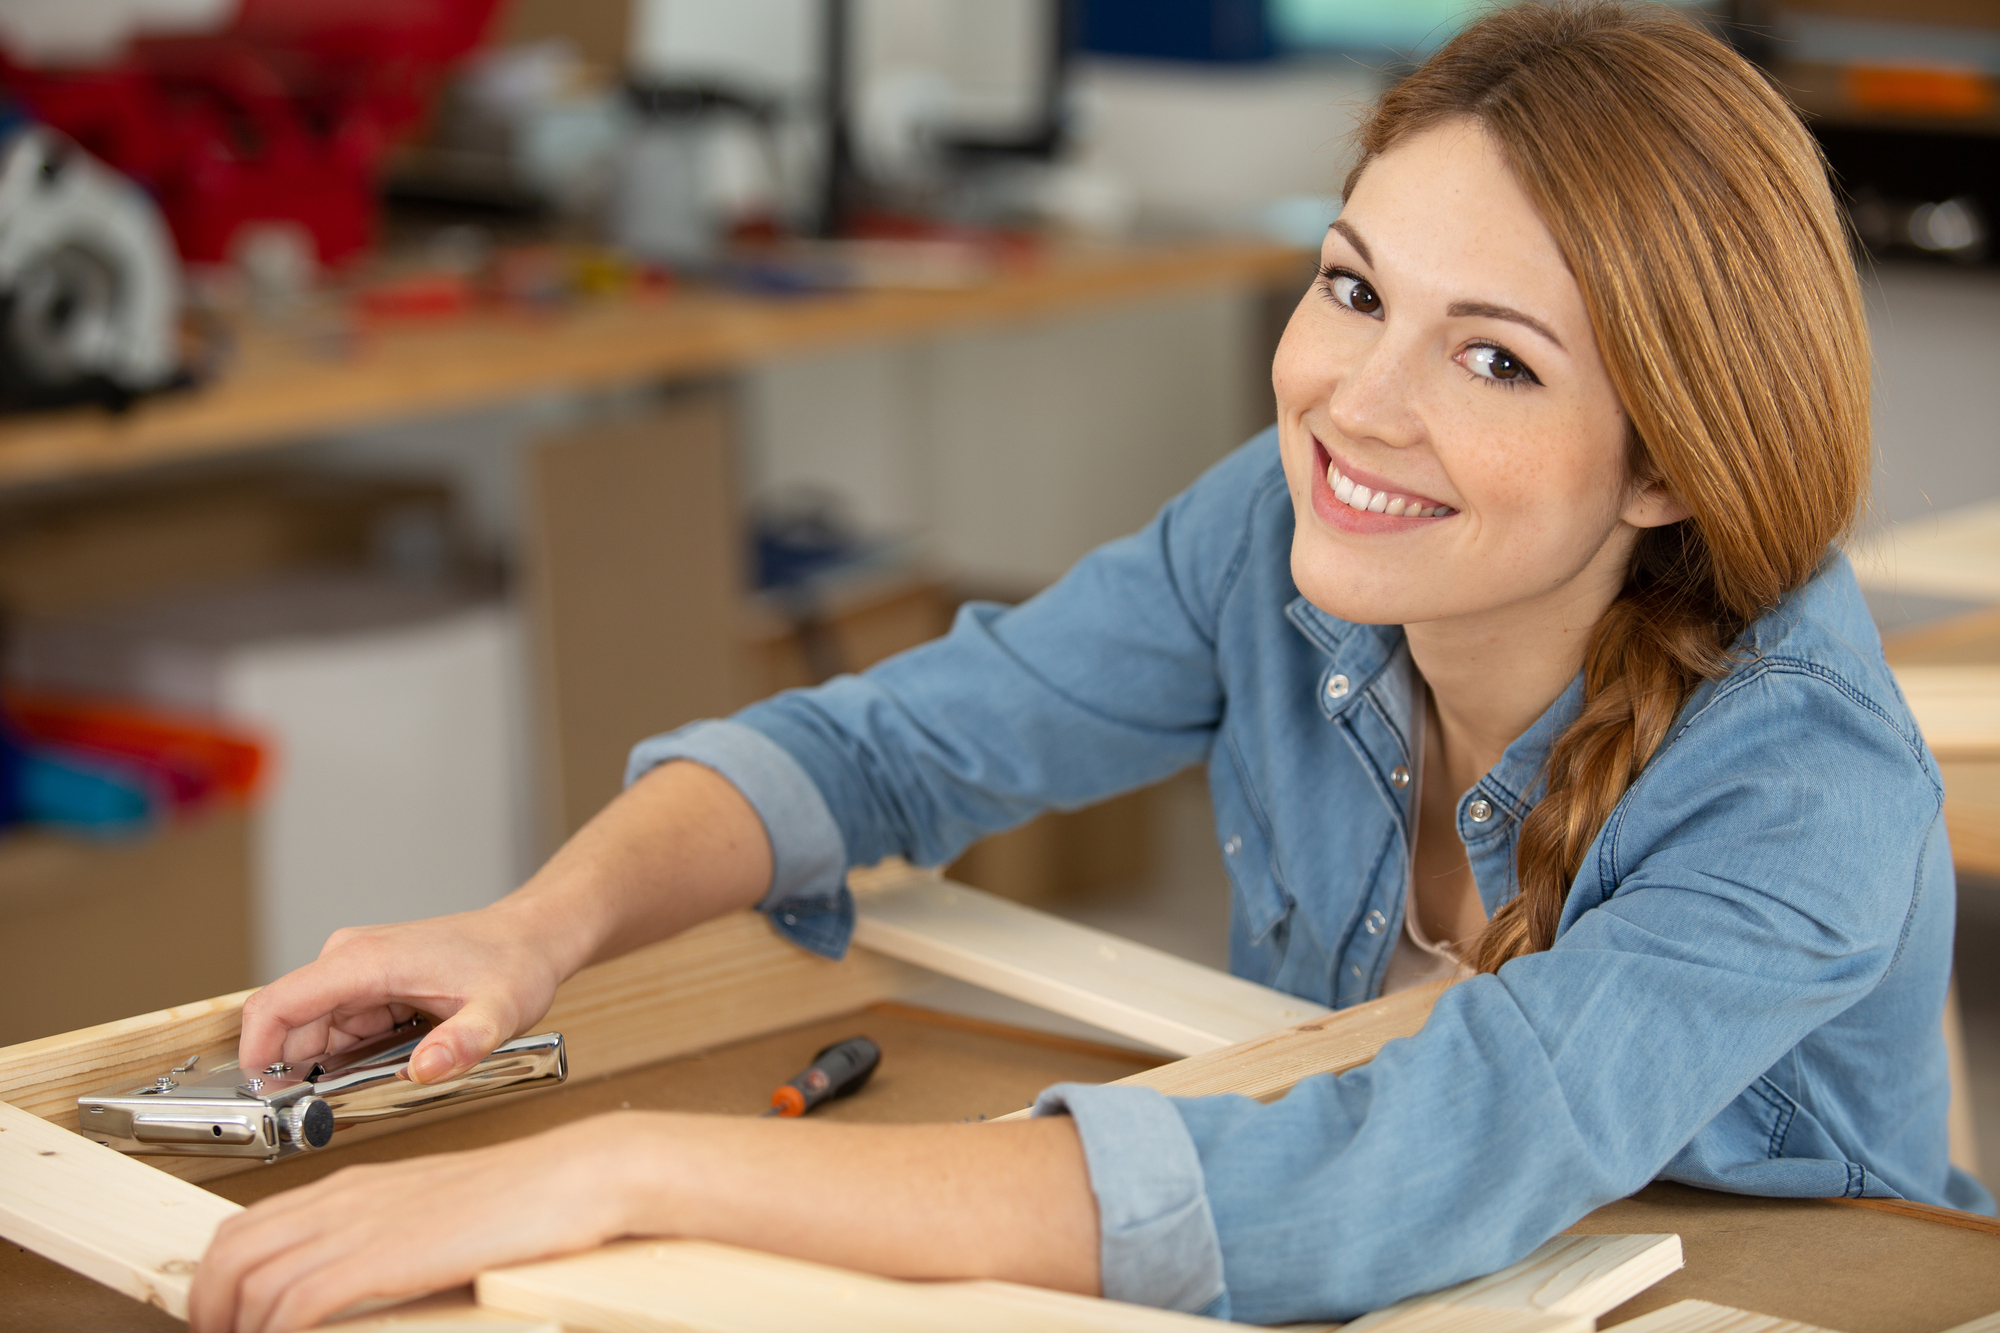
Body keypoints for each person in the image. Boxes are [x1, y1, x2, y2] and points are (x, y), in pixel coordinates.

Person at [186, 4, 1995, 1330]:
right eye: (1354, 287)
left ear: (1670, 459)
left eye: (1496, 360)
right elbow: (891, 746)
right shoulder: (1291, 534)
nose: (1355, 405)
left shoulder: (1802, 775)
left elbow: (1403, 1163)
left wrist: (624, 1162)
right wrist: (536, 927)